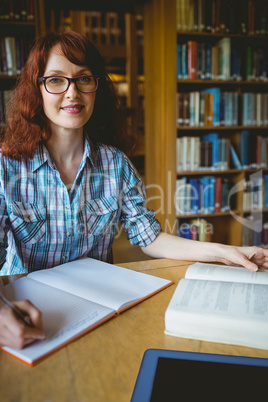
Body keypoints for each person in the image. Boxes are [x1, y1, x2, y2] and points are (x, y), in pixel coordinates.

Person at [0, 31, 268, 349]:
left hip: (98, 314)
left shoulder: (116, 164)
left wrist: (225, 253)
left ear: (96, 86)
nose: (72, 93)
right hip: (26, 315)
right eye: (56, 80)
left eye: (83, 78)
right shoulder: (7, 167)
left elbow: (150, 237)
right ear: (37, 89)